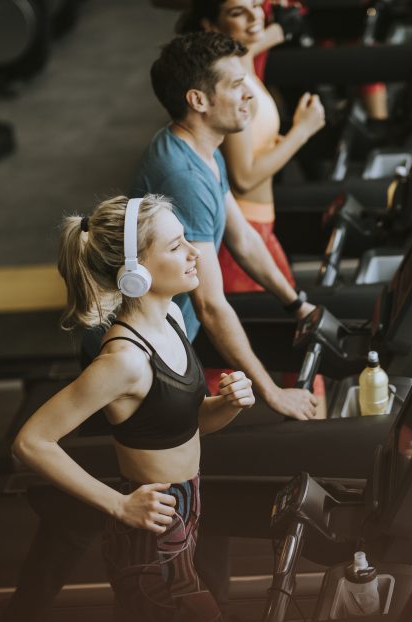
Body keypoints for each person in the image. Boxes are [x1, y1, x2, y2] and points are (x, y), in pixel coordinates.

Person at [11, 194, 255, 622]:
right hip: (149, 537)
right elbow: (32, 441)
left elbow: (186, 424)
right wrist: (119, 504)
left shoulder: (174, 320)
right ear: (136, 272)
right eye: (176, 245)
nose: (193, 252)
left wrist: (228, 405)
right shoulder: (124, 360)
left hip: (185, 514)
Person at [134, 30, 321, 416]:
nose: (249, 94)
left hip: (177, 327)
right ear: (198, 100)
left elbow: (244, 240)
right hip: (155, 346)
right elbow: (210, 305)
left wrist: (296, 304)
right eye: (237, 85)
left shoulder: (202, 149)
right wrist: (274, 394)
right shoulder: (182, 175)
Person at [180, 0, 326, 296]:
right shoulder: (228, 84)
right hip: (244, 232)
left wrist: (280, 28)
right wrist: (302, 131)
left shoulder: (242, 61)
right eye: (237, 12)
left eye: (258, 5)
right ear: (210, 25)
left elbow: (263, 35)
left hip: (260, 225)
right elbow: (243, 177)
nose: (254, 16)